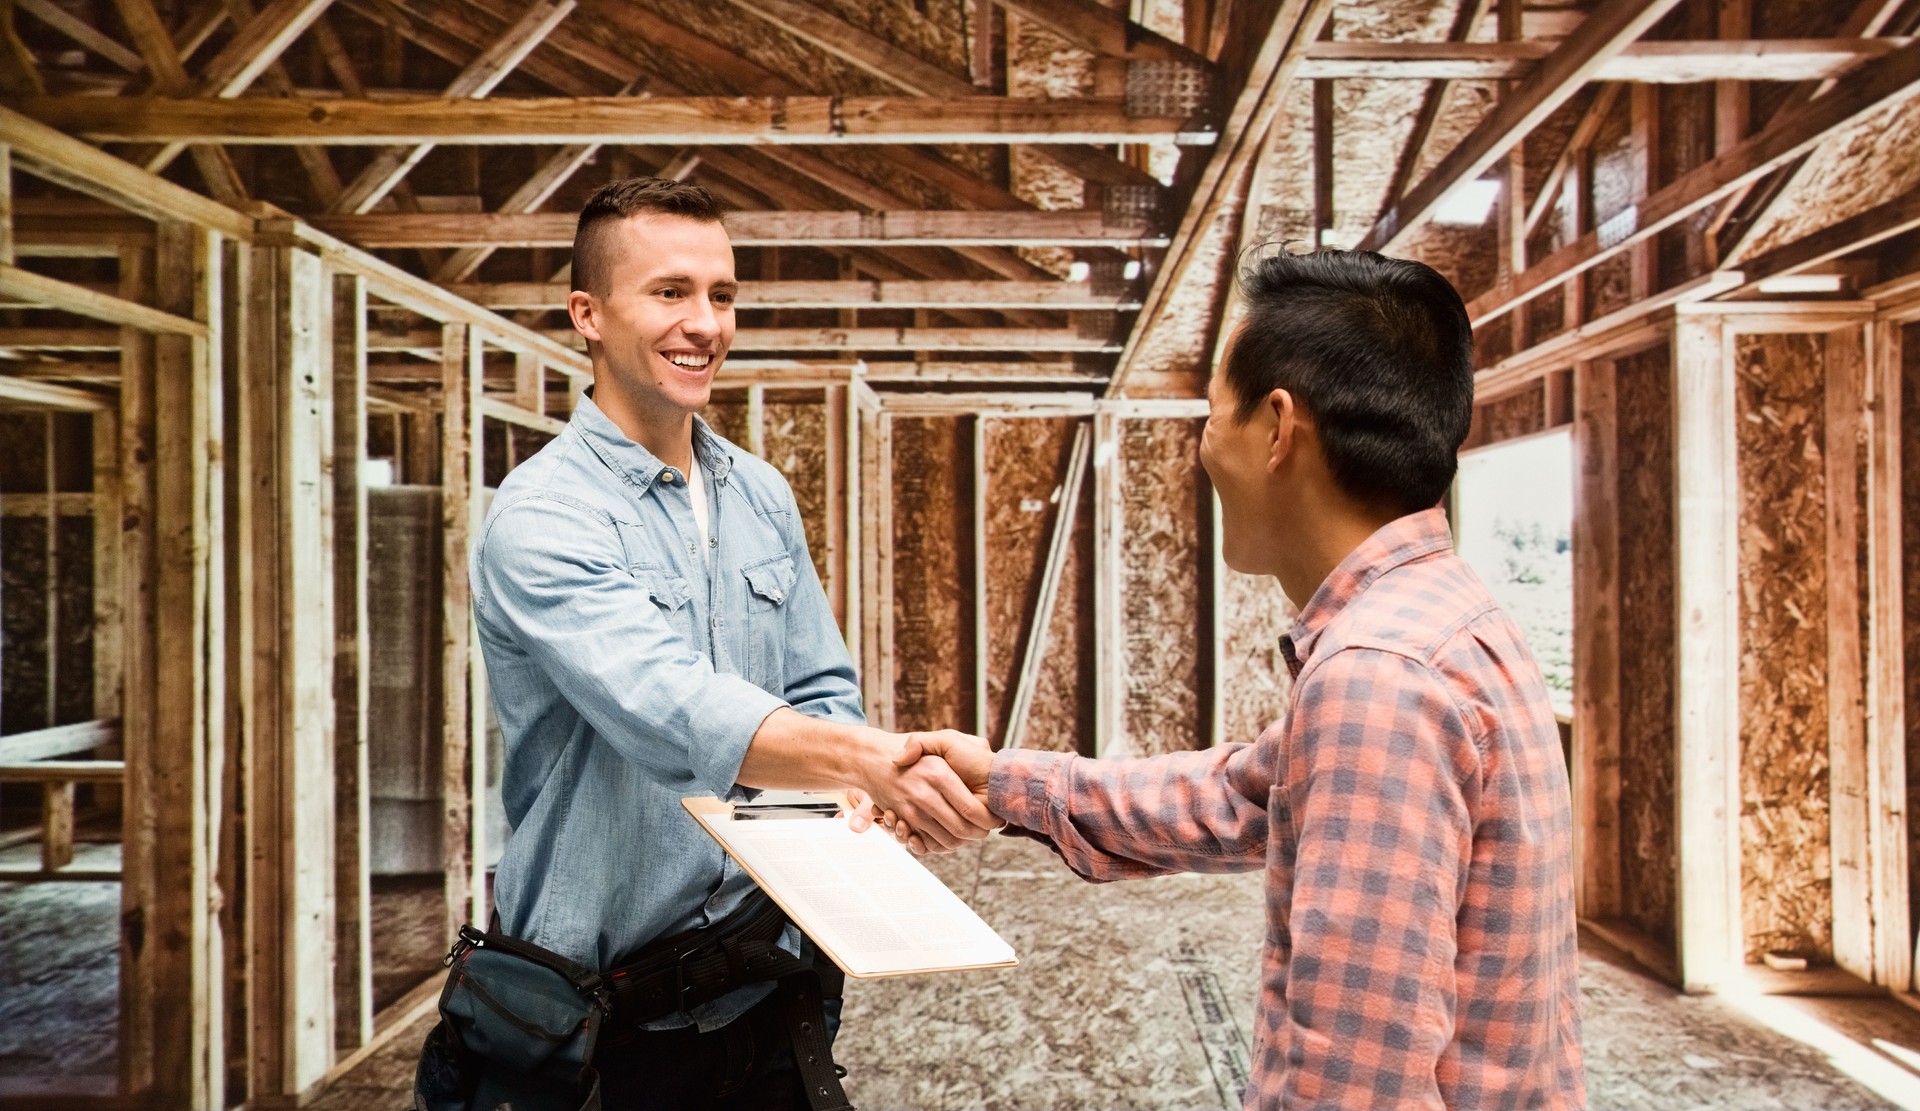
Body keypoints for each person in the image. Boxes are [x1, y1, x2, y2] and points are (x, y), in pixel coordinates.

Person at [892, 250, 1586, 1110]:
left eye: (1213, 413)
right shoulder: (1444, 616)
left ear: (1278, 427)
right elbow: (1237, 796)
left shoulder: (1377, 679)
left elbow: (1353, 1081)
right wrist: (1001, 782)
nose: (1202, 447)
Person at [463, 177, 995, 1110]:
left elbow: (820, 680)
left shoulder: (759, 493)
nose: (704, 322)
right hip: (608, 1021)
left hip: (763, 980)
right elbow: (674, 708)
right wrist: (874, 762)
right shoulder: (543, 516)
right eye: (670, 292)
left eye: (722, 294)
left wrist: (853, 792)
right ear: (586, 312)